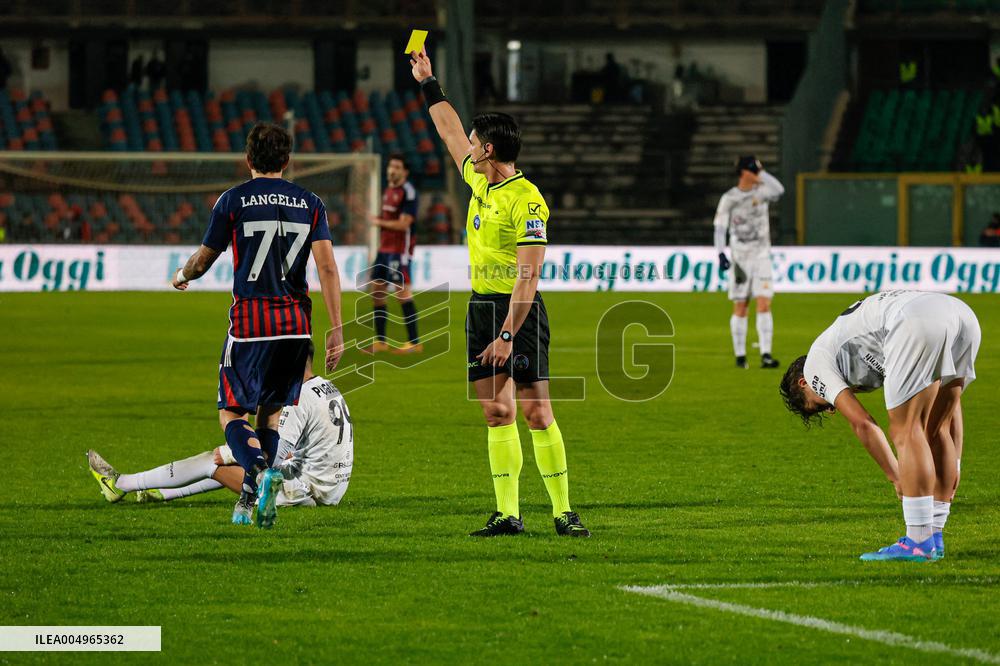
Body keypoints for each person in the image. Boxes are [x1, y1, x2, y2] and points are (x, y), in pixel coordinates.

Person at [410, 47, 590, 537]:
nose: (466, 144)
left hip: (520, 313)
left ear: (489, 150)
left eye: (474, 141)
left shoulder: (528, 202)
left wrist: (508, 336)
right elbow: (447, 129)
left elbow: (528, 278)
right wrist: (429, 81)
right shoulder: (479, 182)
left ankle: (563, 512)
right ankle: (508, 513)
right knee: (495, 411)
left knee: (535, 411)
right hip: (481, 308)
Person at [169, 122, 344, 529]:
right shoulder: (310, 202)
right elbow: (328, 267)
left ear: (248, 159)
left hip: (251, 326)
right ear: (288, 160)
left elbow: (204, 259)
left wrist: (182, 275)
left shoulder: (233, 200)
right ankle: (250, 498)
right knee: (270, 416)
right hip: (296, 328)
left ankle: (261, 475)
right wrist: (336, 327)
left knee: (232, 415)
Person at [779, 290, 981, 561]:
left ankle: (918, 541)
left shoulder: (815, 367)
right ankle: (934, 534)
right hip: (961, 315)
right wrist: (954, 465)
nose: (830, 408)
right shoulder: (850, 354)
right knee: (935, 428)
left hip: (914, 319)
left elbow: (863, 424)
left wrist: (897, 477)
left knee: (906, 430)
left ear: (804, 384)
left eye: (818, 405)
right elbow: (950, 412)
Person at [87, 344, 353, 509]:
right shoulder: (326, 386)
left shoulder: (296, 397)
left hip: (304, 491)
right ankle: (159, 492)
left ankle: (121, 483)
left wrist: (230, 452)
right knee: (240, 466)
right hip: (332, 489)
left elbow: (273, 459)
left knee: (214, 462)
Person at [714, 155, 784, 370]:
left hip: (761, 256)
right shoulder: (730, 198)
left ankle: (765, 354)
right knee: (741, 305)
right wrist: (721, 254)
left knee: (764, 303)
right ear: (744, 172)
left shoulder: (762, 192)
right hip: (740, 259)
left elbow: (779, 190)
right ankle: (741, 356)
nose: (758, 174)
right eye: (754, 170)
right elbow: (720, 228)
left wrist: (760, 171)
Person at [367, 152, 421, 353]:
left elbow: (404, 223)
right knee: (377, 292)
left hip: (399, 251)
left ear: (405, 172)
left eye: (397, 167)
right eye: (391, 166)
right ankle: (381, 341)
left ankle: (414, 343)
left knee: (402, 293)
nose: (392, 170)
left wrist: (378, 222)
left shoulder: (408, 191)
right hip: (384, 249)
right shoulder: (389, 190)